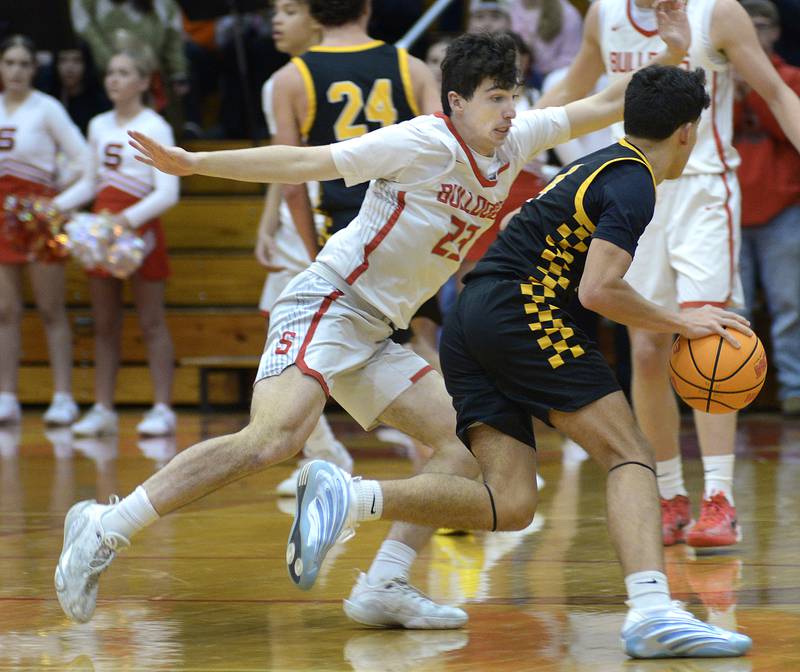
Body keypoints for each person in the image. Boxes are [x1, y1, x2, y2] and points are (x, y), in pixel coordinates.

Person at [55, 6, 687, 627]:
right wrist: (198, 164)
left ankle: (385, 581)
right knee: (275, 438)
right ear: (456, 103)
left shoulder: (514, 139)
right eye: (495, 99)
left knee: (463, 446)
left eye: (512, 97)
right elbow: (306, 162)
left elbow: (608, 102)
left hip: (379, 328)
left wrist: (674, 53)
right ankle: (107, 525)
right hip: (329, 303)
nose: (508, 111)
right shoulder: (420, 142)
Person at [288, 64, 754, 659]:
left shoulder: (592, 165)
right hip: (524, 314)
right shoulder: (634, 180)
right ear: (688, 132)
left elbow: (514, 222)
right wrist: (681, 320)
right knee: (629, 452)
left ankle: (354, 508)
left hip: (471, 317)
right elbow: (598, 290)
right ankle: (653, 612)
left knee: (510, 504)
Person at [537, 0, 800, 549]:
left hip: (704, 189)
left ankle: (720, 499)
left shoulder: (718, 12)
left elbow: (777, 93)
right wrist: (511, 143)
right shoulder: (603, 16)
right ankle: (671, 495)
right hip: (637, 189)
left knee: (711, 339)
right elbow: (571, 97)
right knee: (647, 350)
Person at [53, 48, 179, 437]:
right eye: (111, 72)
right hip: (101, 232)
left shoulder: (156, 126)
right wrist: (54, 207)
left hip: (139, 230)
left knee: (151, 321)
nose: (114, 79)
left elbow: (168, 192)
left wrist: (125, 222)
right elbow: (91, 183)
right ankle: (103, 408)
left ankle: (163, 408)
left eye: (124, 73)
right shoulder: (97, 124)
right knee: (105, 323)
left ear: (143, 82)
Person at [255, 0, 352, 493]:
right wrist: (268, 220)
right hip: (302, 221)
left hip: (331, 219)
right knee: (283, 339)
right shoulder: (280, 81)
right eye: (275, 11)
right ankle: (323, 454)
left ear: (317, 18)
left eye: (289, 10)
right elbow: (283, 163)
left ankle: (463, 447)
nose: (277, 20)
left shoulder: (312, 77)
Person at [0, 35, 89, 426]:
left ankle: (63, 397)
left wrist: (56, 206)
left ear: (35, 69)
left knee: (52, 309)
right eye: (9, 62)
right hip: (2, 220)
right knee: (5, 311)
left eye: (24, 63)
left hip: (39, 222)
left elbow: (86, 163)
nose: (16, 71)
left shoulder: (47, 108)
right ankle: (6, 396)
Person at [734, 0, 800, 415]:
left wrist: (754, 90)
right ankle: (733, 386)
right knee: (734, 310)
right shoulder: (717, 78)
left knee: (789, 304)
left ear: (775, 31)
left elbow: (788, 130)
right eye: (746, 26)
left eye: (760, 26)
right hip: (729, 209)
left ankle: (794, 389)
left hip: (783, 208)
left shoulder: (790, 78)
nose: (754, 34)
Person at [509, 0, 582, 81]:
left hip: (552, 76)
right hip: (520, 73)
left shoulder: (568, 14)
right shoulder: (511, 7)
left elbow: (571, 58)